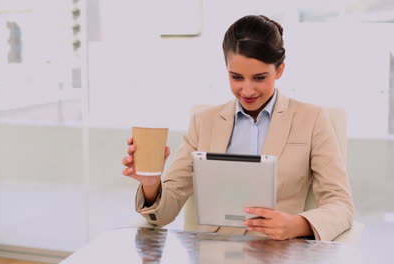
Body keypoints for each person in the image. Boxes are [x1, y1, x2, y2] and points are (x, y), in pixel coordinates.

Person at [122, 15, 353, 241]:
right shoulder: (203, 122)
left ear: (279, 70)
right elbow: (162, 214)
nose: (248, 90)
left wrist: (297, 225)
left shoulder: (312, 119)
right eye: (236, 77)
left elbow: (341, 205)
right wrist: (151, 184)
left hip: (277, 252)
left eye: (260, 78)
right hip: (214, 254)